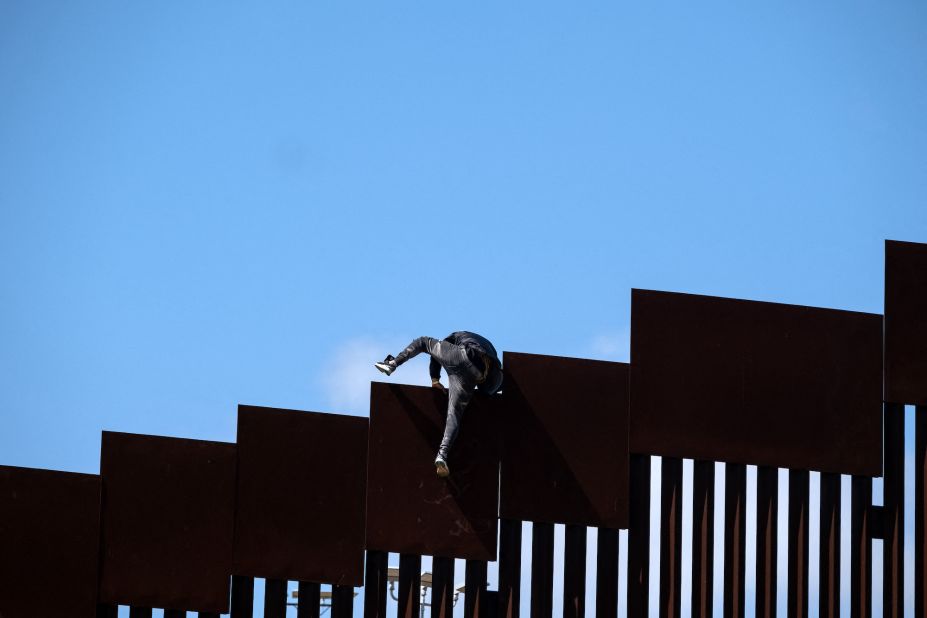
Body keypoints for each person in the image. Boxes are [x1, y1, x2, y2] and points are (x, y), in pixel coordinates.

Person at [375, 331, 502, 477]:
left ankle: (392, 363)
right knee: (454, 415)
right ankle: (442, 455)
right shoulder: (488, 349)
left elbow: (435, 356)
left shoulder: (455, 336)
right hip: (478, 373)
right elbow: (493, 382)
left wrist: (435, 379)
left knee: (423, 341)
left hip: (463, 355)